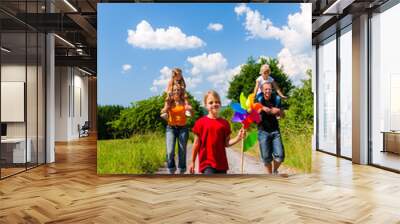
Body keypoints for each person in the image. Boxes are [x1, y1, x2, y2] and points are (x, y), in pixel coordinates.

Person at [189, 90, 245, 174]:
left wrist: (238, 137)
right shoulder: (200, 123)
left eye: (217, 102)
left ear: (220, 104)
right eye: (211, 102)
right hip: (207, 163)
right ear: (205, 106)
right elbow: (196, 144)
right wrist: (192, 161)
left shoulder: (225, 123)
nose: (214, 104)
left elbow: (226, 143)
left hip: (221, 163)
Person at [257, 82, 285, 175]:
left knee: (280, 156)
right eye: (266, 89)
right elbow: (254, 115)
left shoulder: (276, 99)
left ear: (272, 89)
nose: (268, 91)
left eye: (269, 89)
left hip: (275, 131)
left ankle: (275, 171)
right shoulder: (259, 99)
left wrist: (279, 111)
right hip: (262, 131)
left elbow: (283, 116)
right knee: (266, 157)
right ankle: (270, 176)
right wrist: (261, 108)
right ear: (262, 90)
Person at [164, 85, 192, 174]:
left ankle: (182, 170)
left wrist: (190, 110)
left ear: (181, 91)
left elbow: (191, 112)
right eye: (174, 90)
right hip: (170, 128)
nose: (176, 91)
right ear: (172, 91)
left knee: (182, 151)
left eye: (178, 90)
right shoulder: (169, 101)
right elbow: (162, 111)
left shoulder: (184, 102)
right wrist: (166, 108)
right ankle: (171, 169)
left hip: (183, 128)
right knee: (170, 151)